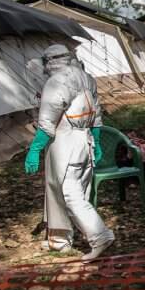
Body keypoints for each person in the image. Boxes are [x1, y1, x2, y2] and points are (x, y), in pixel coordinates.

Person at [25, 44, 115, 261]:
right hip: (85, 140)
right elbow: (97, 115)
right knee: (60, 189)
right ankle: (59, 239)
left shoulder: (57, 82)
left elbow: (47, 122)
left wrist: (34, 149)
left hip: (66, 141)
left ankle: (100, 236)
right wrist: (97, 141)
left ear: (51, 62)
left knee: (69, 192)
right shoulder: (86, 77)